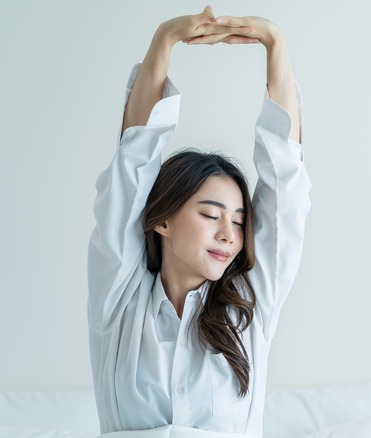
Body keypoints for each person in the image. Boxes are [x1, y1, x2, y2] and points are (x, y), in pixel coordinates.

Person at [87, 6, 310, 437]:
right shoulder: (119, 303)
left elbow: (287, 186)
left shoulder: (250, 306)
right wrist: (163, 41)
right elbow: (129, 171)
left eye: (240, 221)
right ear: (164, 221)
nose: (229, 233)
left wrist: (276, 46)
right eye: (210, 215)